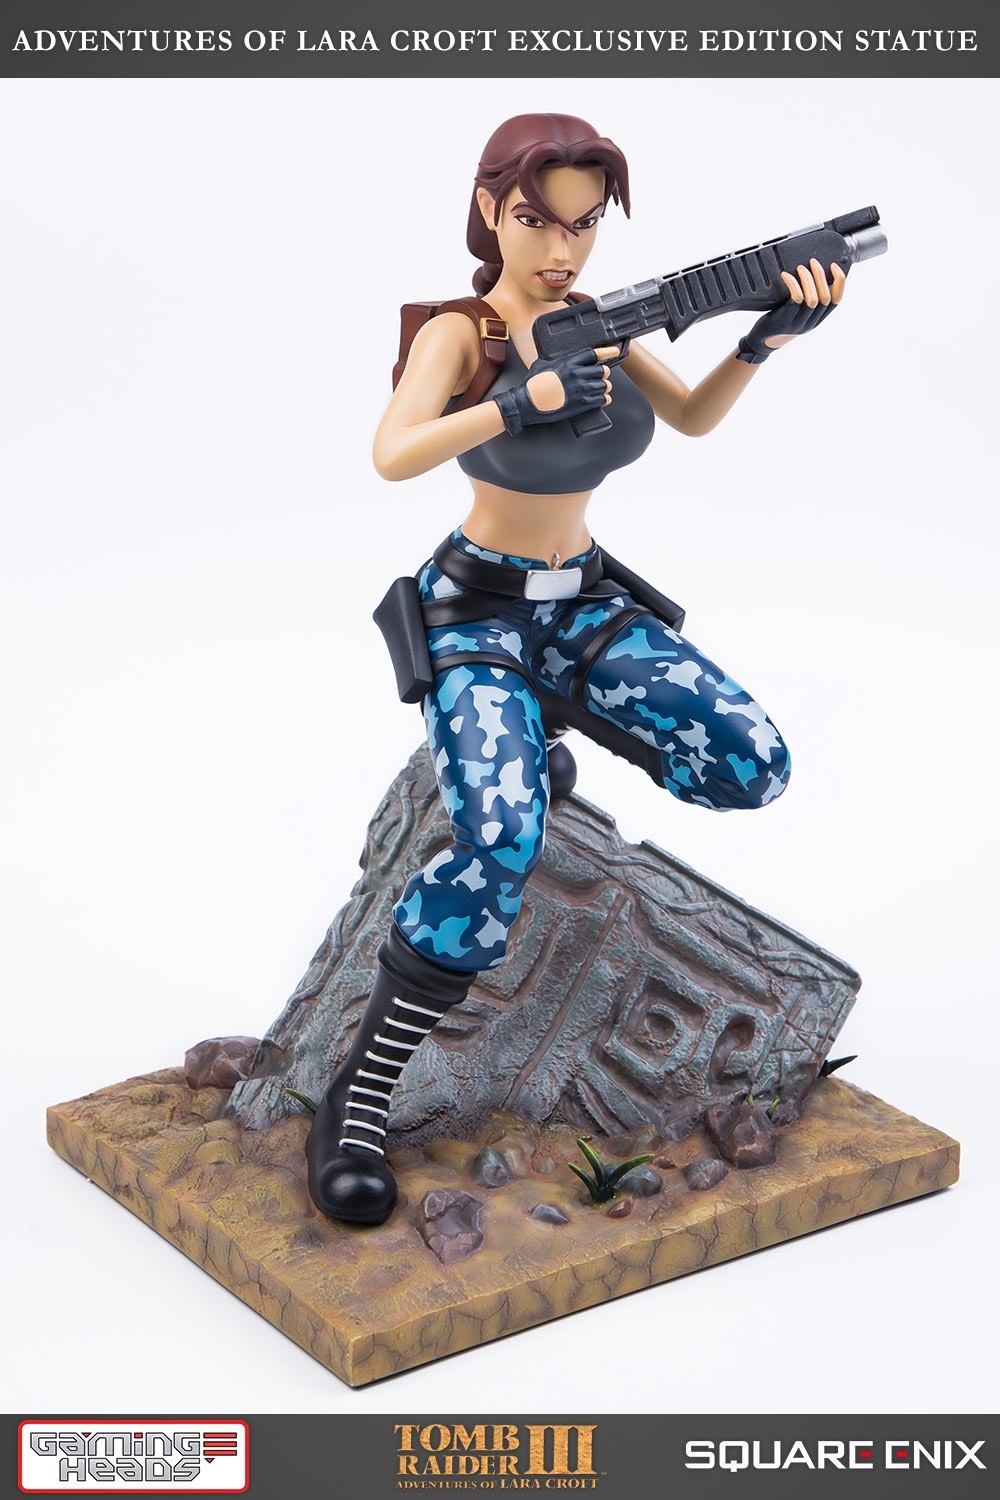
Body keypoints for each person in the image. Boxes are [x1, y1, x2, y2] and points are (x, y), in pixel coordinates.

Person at [306, 113, 847, 1225]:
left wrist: (764, 340)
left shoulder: (598, 321)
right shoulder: (462, 333)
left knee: (750, 764)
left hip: (585, 606)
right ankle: (358, 1092)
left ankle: (538, 721)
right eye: (536, 221)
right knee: (498, 843)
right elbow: (391, 451)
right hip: (477, 613)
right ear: (490, 211)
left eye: (585, 224)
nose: (561, 248)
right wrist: (517, 401)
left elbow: (689, 417)